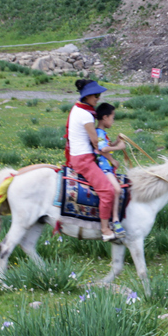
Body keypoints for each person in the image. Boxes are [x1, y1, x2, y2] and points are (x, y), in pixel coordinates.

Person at [65, 79, 120, 240]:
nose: (98, 98)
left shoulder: (78, 108)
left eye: (99, 95)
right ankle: (105, 229)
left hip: (79, 154)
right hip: (83, 158)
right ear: (87, 96)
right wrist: (110, 153)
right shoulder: (86, 115)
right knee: (108, 191)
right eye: (95, 95)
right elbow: (96, 142)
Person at [94, 102, 129, 226]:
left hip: (107, 167)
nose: (113, 121)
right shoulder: (99, 133)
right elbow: (102, 149)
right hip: (104, 168)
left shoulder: (101, 133)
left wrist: (114, 143)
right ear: (105, 117)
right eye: (112, 118)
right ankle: (115, 219)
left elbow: (105, 146)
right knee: (117, 189)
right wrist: (118, 148)